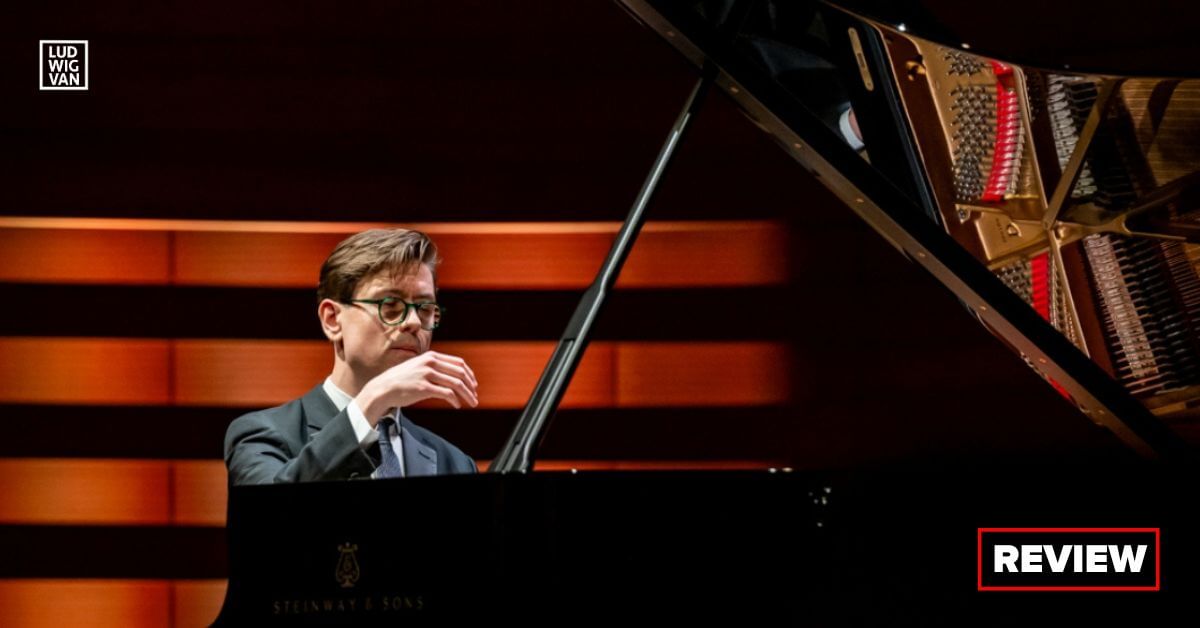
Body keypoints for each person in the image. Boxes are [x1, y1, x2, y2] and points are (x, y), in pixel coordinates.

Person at [224, 228, 480, 484]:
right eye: (390, 305)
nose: (413, 322)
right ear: (332, 320)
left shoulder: (455, 462)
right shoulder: (261, 435)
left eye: (424, 309)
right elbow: (273, 507)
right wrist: (373, 400)